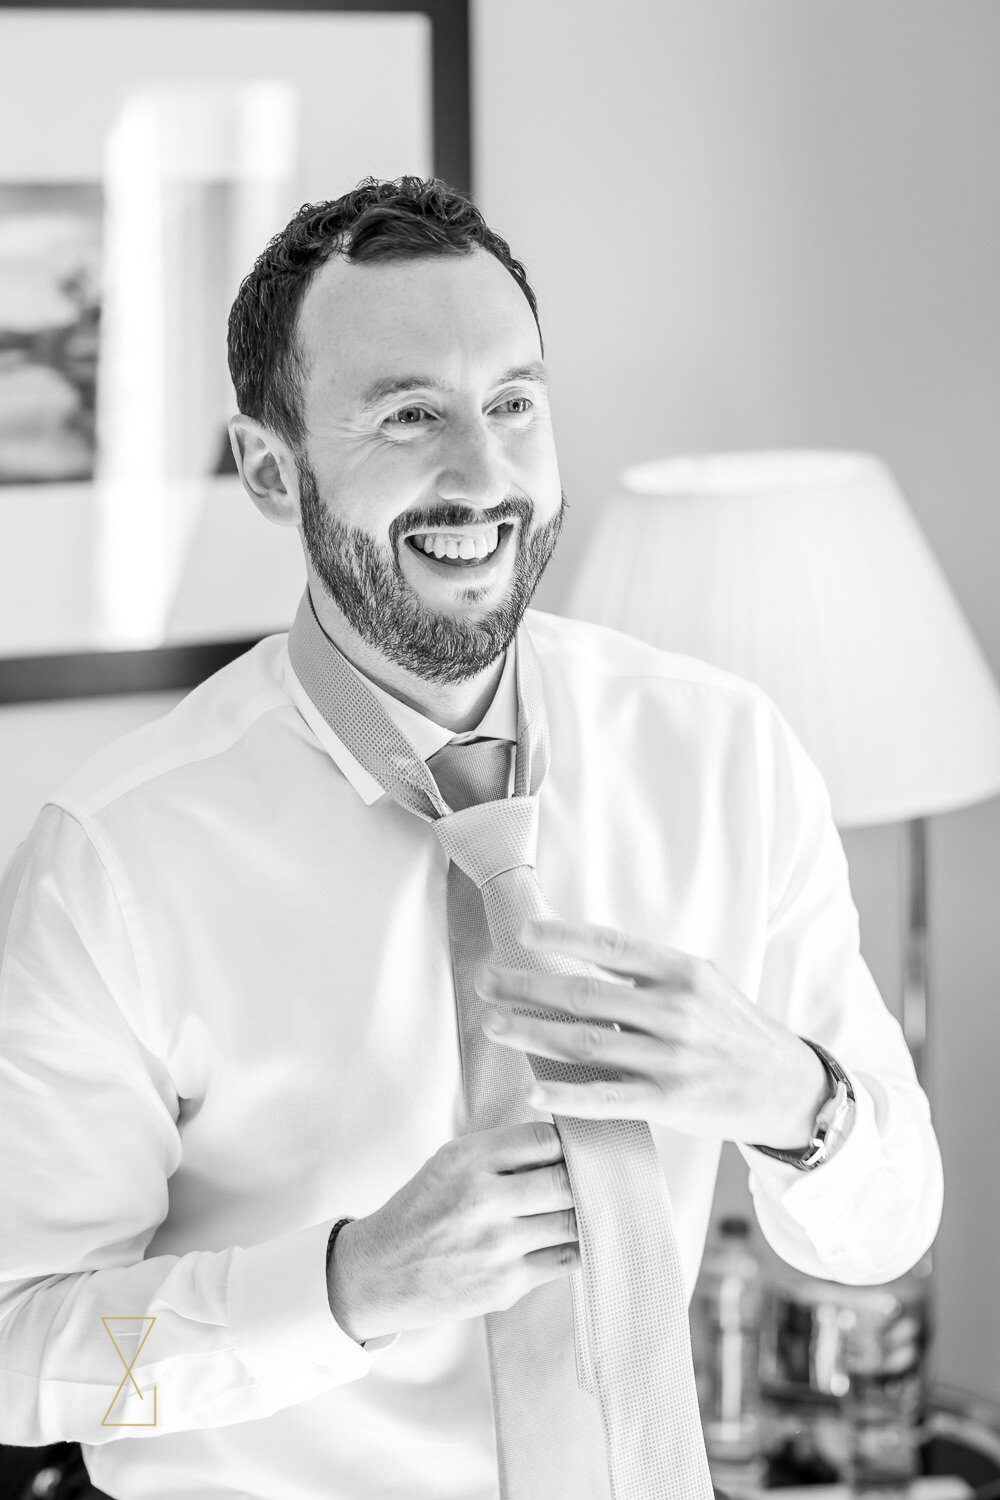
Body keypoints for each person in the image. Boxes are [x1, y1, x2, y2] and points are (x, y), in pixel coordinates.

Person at [0, 176, 942, 1500]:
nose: (485, 476)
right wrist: (348, 1287)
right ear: (274, 470)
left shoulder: (727, 756)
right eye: (409, 418)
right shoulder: (115, 858)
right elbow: (18, 1347)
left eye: (513, 404)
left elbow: (884, 1233)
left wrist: (789, 1093)